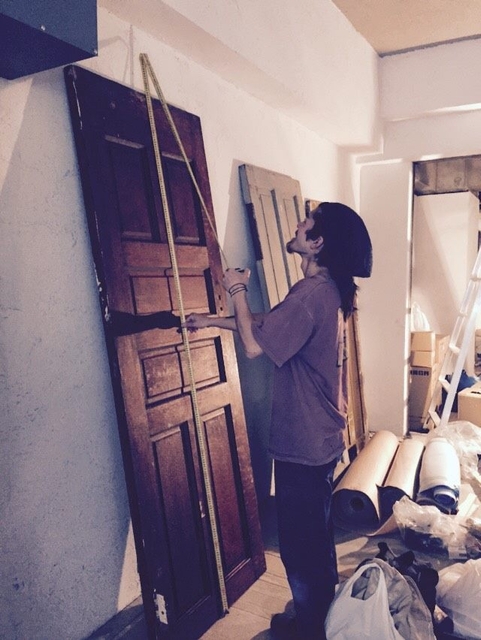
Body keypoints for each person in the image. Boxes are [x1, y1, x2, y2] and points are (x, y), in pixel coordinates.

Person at [183, 202, 372, 640]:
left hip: (303, 443)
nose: (298, 225)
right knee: (316, 538)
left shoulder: (310, 295)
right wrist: (210, 320)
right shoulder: (327, 291)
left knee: (300, 549)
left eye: (307, 223)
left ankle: (310, 630)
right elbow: (268, 325)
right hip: (321, 437)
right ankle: (318, 618)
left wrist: (236, 289)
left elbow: (254, 347)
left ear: (317, 243)